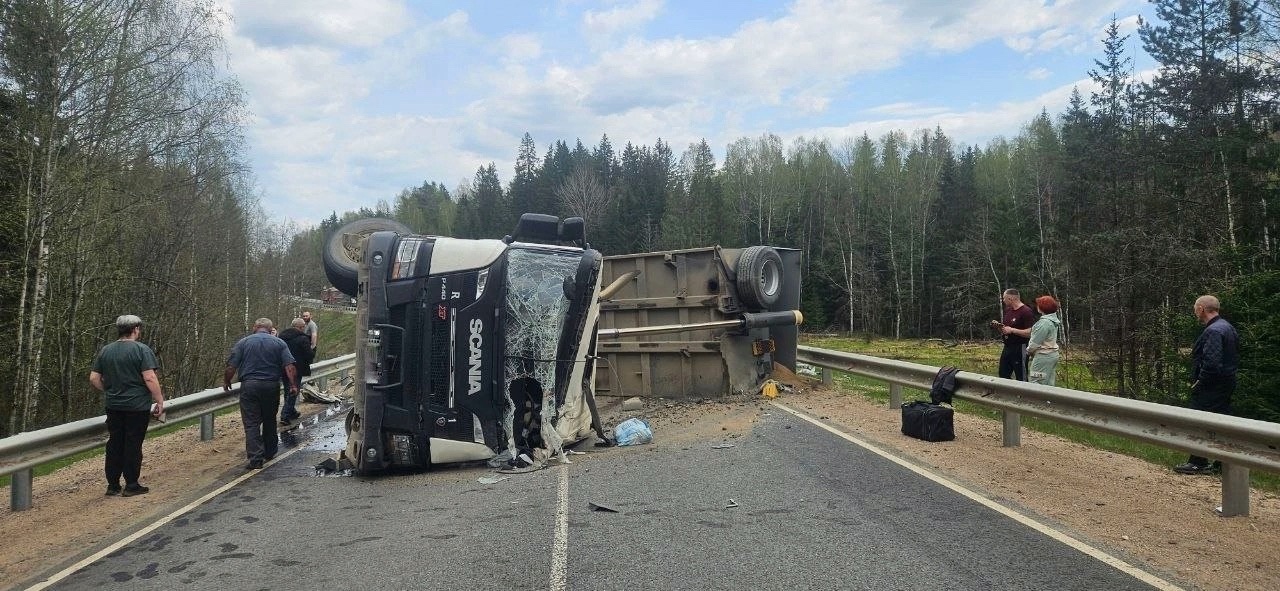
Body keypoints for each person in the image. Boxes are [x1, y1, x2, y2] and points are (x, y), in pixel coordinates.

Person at [88, 315, 165, 497]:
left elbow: (93, 378)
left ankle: (113, 485)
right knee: (132, 443)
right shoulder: (141, 350)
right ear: (136, 329)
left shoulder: (106, 350)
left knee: (115, 442)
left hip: (113, 405)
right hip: (136, 406)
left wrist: (109, 390)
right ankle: (131, 484)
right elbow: (149, 377)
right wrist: (159, 400)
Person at [1174, 295, 1239, 475]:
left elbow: (1211, 363)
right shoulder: (1227, 327)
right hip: (1226, 384)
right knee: (1222, 422)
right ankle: (1221, 462)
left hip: (1211, 387)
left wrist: (1199, 383)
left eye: (1196, 308)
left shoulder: (1214, 331)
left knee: (1198, 421)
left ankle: (1197, 461)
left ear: (1202, 309)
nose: (1195, 312)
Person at [225, 318, 297, 470]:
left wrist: (227, 381)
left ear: (255, 327)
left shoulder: (243, 343)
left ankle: (256, 458)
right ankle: (270, 451)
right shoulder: (279, 343)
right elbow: (289, 366)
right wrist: (292, 385)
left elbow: (231, 366)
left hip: (249, 386)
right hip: (271, 386)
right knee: (270, 419)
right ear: (271, 329)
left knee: (251, 423)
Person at [992, 288, 1036, 381]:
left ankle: (1023, 395)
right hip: (1007, 347)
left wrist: (1012, 330)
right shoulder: (1008, 311)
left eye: (1004, 298)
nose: (1003, 300)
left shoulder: (1026, 311)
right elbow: (1007, 328)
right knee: (1003, 374)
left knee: (1021, 376)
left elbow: (1031, 332)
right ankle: (1007, 394)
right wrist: (1000, 327)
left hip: (1020, 347)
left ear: (1010, 298)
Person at [277, 318, 314, 426]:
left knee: (288, 390)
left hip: (283, 367)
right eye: (304, 327)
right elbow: (309, 355)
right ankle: (285, 415)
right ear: (301, 327)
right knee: (294, 391)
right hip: (297, 368)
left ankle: (292, 411)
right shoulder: (303, 339)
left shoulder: (281, 337)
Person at [1025, 295, 1063, 386]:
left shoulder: (1044, 323)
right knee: (1048, 382)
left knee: (1036, 381)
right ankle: (1048, 400)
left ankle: (1037, 400)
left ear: (1042, 308)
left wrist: (1028, 351)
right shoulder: (1053, 320)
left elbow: (1035, 343)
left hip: (1043, 356)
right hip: (1052, 355)